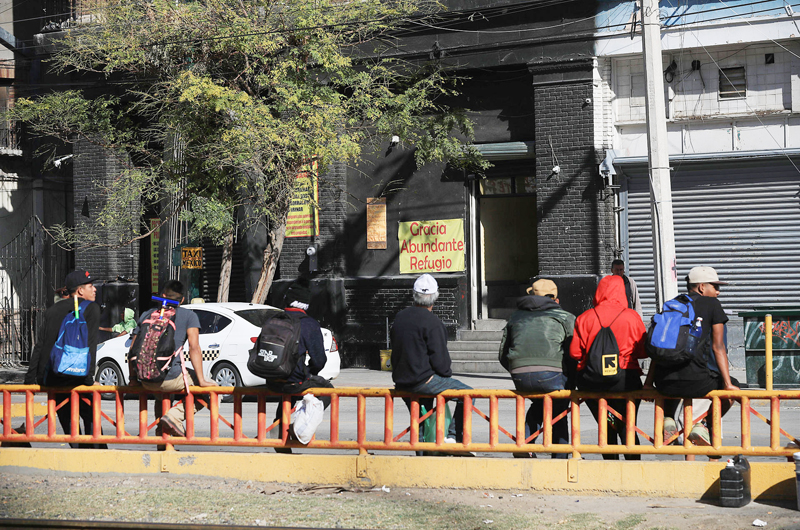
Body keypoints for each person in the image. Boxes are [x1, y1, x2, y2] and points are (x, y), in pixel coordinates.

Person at [646, 266, 740, 452]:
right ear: (702, 287)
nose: (718, 291)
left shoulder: (672, 305)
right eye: (715, 286)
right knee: (732, 391)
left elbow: (660, 348)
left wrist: (648, 384)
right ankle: (704, 425)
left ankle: (668, 418)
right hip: (698, 382)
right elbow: (718, 346)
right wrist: (728, 383)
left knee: (676, 372)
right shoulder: (712, 305)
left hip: (665, 384)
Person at [24, 270, 106, 448]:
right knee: (90, 414)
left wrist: (30, 379)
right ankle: (96, 454)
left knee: (67, 418)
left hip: (53, 375)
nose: (95, 290)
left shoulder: (53, 310)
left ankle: (77, 453)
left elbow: (41, 344)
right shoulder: (91, 309)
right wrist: (89, 379)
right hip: (78, 375)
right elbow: (90, 346)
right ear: (79, 291)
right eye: (90, 286)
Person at [391, 274, 473, 453]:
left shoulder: (400, 317)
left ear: (414, 295)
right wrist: (444, 375)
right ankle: (454, 437)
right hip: (423, 381)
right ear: (435, 298)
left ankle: (422, 455)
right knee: (467, 394)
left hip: (401, 381)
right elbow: (442, 364)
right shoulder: (433, 323)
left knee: (421, 417)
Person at [570, 274, 647, 460]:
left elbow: (575, 353)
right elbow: (644, 351)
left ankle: (610, 460)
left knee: (606, 423)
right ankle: (633, 467)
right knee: (628, 424)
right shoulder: (632, 316)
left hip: (593, 381)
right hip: (625, 380)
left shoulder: (584, 318)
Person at [128, 280, 216, 439]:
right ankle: (175, 416)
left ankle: (163, 442)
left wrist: (133, 379)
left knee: (161, 398)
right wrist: (201, 380)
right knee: (215, 390)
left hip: (147, 379)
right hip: (172, 378)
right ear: (181, 300)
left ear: (162, 296)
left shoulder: (147, 314)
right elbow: (194, 348)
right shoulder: (189, 316)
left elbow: (132, 350)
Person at [499, 278, 575, 458]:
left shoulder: (515, 317)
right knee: (559, 408)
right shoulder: (565, 317)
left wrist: (516, 369)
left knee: (540, 403)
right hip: (552, 375)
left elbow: (502, 354)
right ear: (555, 299)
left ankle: (525, 445)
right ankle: (560, 455)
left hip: (519, 375)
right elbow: (574, 352)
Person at [267, 277, 334, 453]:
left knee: (286, 397)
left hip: (271, 379)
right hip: (293, 382)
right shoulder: (309, 324)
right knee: (328, 389)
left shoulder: (273, 319)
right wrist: (309, 372)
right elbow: (319, 360)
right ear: (306, 304)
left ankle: (281, 436)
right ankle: (300, 428)